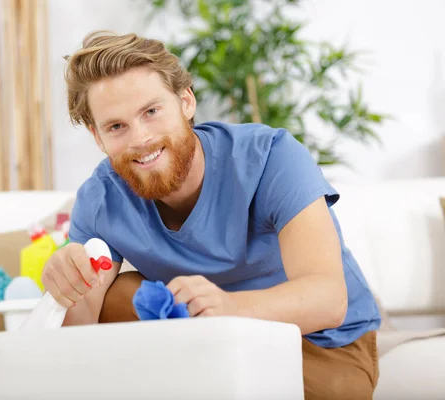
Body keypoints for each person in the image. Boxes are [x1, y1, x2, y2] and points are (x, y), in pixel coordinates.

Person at [42, 30, 382, 399]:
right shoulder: (99, 198)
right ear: (98, 137)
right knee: (117, 291)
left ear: (186, 102)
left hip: (316, 341)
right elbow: (80, 335)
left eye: (151, 112)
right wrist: (65, 288)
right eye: (116, 126)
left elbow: (328, 299)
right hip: (196, 342)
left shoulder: (272, 157)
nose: (140, 138)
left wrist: (230, 308)